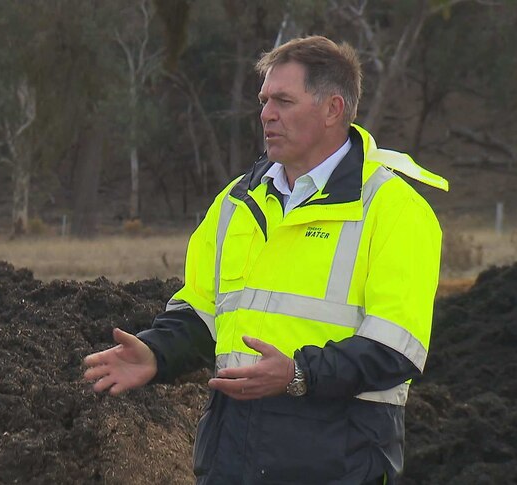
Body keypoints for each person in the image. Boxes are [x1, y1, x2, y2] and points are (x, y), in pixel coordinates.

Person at [84, 35, 448, 484]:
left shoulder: (394, 210)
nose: (266, 114)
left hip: (338, 461)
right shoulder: (235, 202)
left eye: (284, 101)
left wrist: (298, 375)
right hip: (232, 453)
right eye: (264, 100)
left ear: (333, 109)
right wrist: (158, 353)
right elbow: (204, 309)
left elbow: (397, 348)